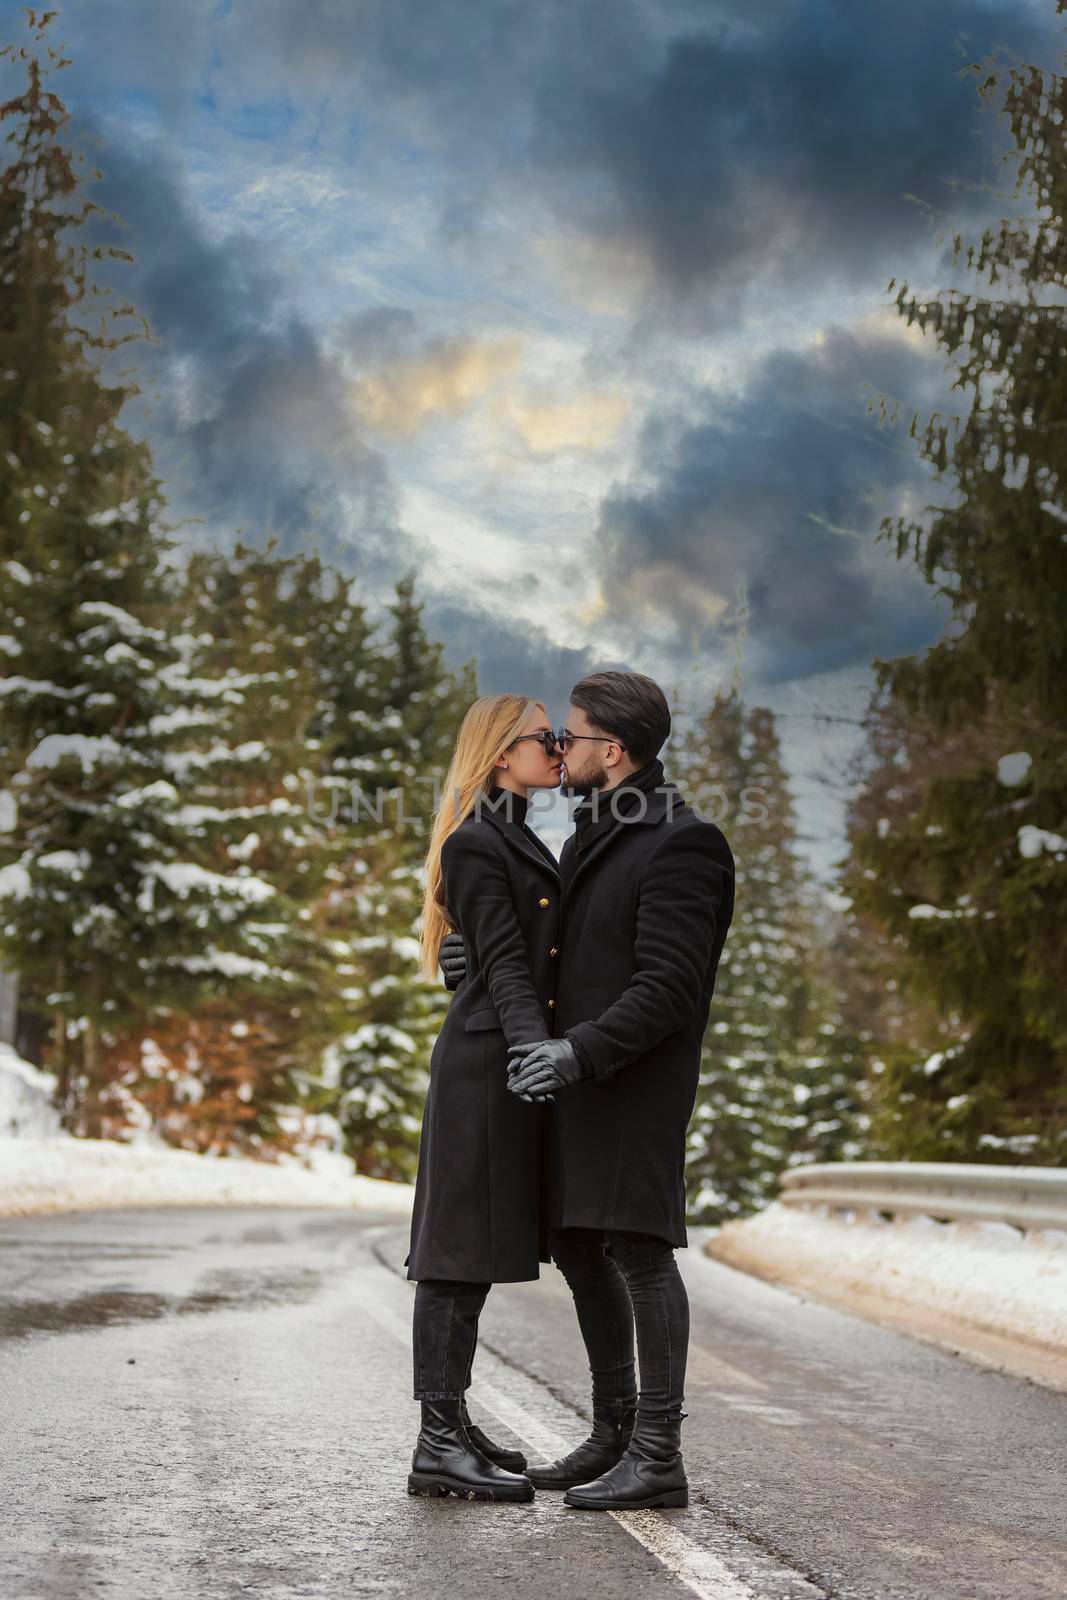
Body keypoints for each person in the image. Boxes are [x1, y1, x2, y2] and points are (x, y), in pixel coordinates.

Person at [440, 671, 735, 1511]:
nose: (560, 748)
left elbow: (669, 986)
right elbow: (558, 951)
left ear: (612, 749)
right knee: (579, 1248)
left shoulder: (682, 840)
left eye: (570, 736)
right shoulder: (595, 833)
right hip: (578, 1077)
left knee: (641, 1252)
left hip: (631, 1079)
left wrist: (577, 1054)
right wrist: (465, 965)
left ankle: (657, 1454)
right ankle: (611, 1434)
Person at [405, 692, 566, 1502]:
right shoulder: (477, 842)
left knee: (470, 1251)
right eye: (547, 737)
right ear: (503, 752)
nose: (561, 748)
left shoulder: (512, 833)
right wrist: (534, 1047)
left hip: (496, 1053)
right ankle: (436, 1443)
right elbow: (505, 962)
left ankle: (454, 1425)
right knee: (454, 1256)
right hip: (484, 1066)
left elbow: (510, 950)